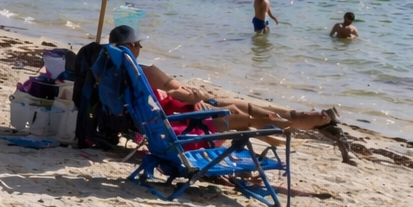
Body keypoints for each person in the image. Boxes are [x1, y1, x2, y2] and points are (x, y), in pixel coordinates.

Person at [108, 25, 355, 164]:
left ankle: (301, 118)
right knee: (245, 112)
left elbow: (178, 96)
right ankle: (305, 121)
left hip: (170, 123)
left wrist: (197, 97)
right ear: (129, 47)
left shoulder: (118, 73)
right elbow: (185, 95)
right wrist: (199, 94)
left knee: (241, 105)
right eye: (138, 44)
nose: (141, 47)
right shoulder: (147, 72)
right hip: (189, 129)